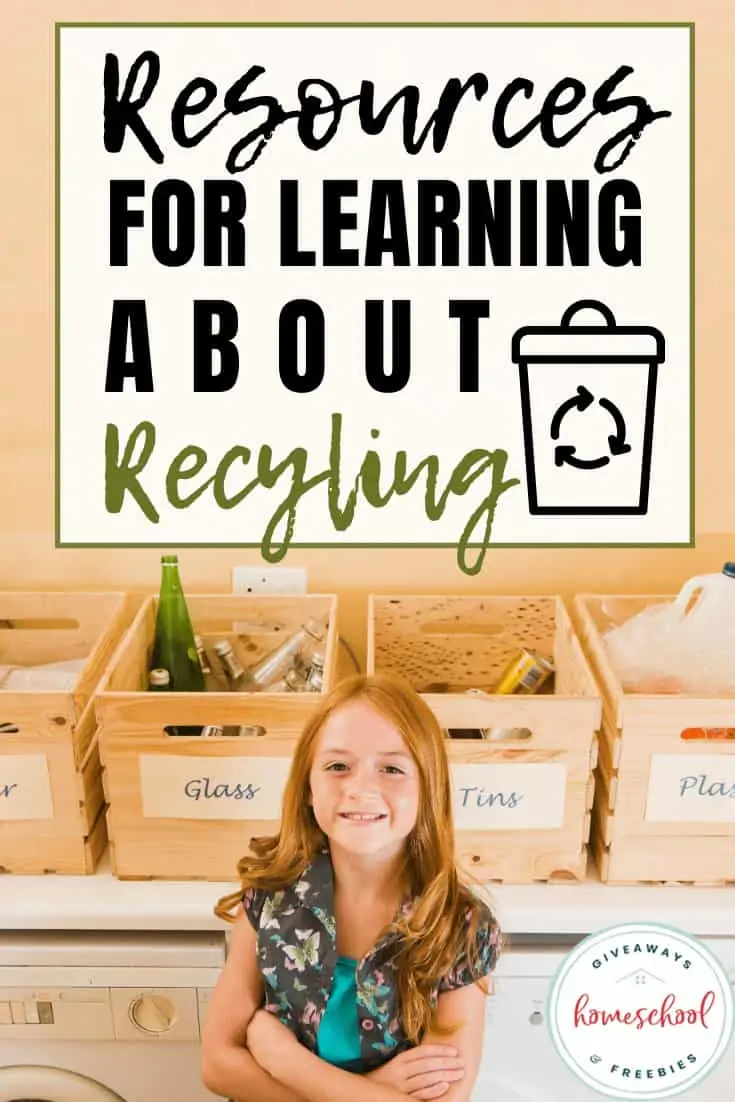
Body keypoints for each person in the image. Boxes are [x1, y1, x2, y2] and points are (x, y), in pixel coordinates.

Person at [201, 672, 501, 1102]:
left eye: (393, 768)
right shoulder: (270, 895)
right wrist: (373, 1092)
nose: (362, 788)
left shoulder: (461, 928)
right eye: (338, 766)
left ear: (428, 790)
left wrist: (285, 1060)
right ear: (308, 787)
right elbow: (217, 1064)